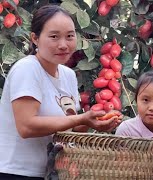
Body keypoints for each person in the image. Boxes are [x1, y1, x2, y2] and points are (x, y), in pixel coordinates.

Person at [0, 5, 121, 179]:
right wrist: (81, 118)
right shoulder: (27, 69)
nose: (63, 45)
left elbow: (70, 129)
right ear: (35, 38)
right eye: (54, 37)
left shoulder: (68, 75)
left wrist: (94, 121)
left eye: (70, 36)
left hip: (49, 173)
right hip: (14, 172)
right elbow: (26, 126)